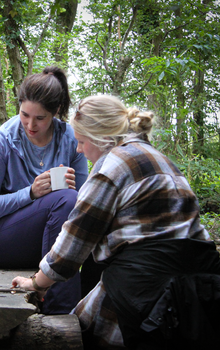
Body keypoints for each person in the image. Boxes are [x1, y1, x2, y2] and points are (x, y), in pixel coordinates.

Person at [12, 95, 220, 349]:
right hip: (200, 290)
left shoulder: (111, 167)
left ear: (101, 138)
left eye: (81, 141)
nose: (79, 149)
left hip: (143, 291)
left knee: (81, 333)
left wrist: (35, 284)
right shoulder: (162, 161)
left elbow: (72, 246)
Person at [0, 66, 89, 315]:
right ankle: (61, 311)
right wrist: (31, 193)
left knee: (71, 199)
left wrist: (74, 188)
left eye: (40, 118)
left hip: (47, 242)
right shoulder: (3, 139)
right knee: (65, 199)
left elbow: (87, 201)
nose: (30, 124)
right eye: (24, 114)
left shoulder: (70, 138)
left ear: (56, 112)